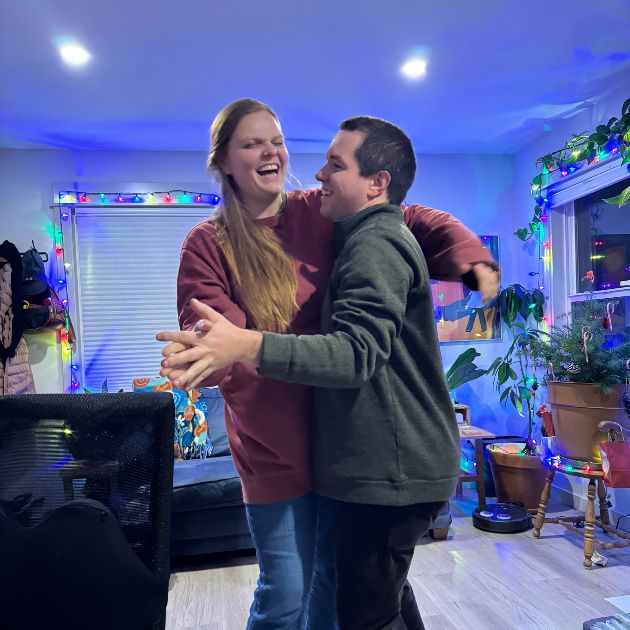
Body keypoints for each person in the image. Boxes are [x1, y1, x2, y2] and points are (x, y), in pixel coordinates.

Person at [158, 99, 499, 629]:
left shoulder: (317, 211)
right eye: (252, 143)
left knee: (334, 598)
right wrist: (208, 356)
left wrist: (472, 258)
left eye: (276, 139)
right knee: (286, 595)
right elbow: (223, 349)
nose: (271, 152)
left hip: (346, 447)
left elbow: (403, 214)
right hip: (277, 452)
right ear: (223, 161)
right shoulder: (207, 243)